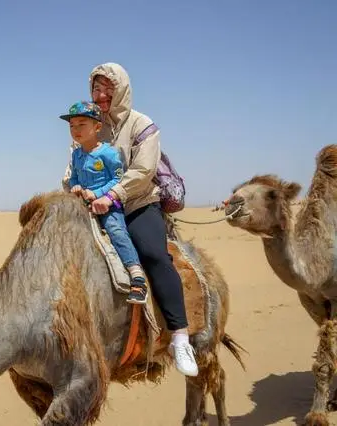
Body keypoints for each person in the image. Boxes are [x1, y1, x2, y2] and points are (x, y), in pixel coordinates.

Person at [61, 62, 199, 377]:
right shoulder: (89, 123)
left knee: (153, 255)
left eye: (107, 88)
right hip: (91, 206)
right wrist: (73, 189)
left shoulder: (141, 124)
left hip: (136, 202)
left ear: (121, 88)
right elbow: (72, 169)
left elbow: (142, 171)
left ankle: (179, 337)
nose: (100, 94)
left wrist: (113, 196)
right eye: (95, 88)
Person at [60, 101, 148, 304]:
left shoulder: (108, 153)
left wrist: (98, 194)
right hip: (83, 206)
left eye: (82, 124)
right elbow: (74, 177)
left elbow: (118, 179)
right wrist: (75, 187)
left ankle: (136, 275)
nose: (76, 130)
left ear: (97, 127)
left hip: (108, 206)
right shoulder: (76, 154)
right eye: (72, 126)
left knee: (115, 230)